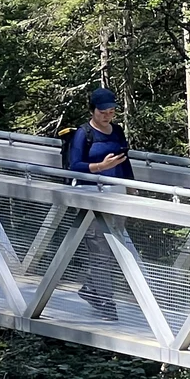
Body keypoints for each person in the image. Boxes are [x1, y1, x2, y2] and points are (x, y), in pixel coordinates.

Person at [66, 87, 132, 320]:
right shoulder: (83, 134)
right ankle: (106, 302)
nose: (107, 115)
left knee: (113, 247)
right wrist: (99, 168)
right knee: (100, 249)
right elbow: (74, 165)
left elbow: (125, 161)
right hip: (91, 195)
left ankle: (91, 289)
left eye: (111, 111)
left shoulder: (117, 131)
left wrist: (131, 187)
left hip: (116, 194)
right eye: (103, 111)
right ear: (92, 110)